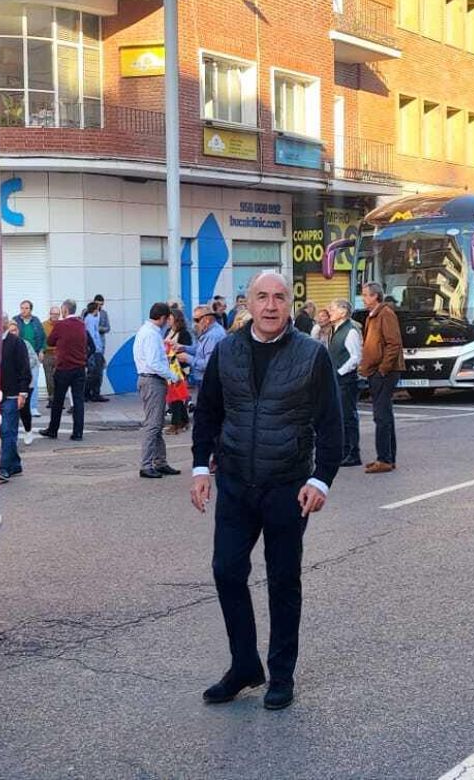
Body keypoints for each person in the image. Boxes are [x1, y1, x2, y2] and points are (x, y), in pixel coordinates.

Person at [189, 271, 342, 712]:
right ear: (248, 304)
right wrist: (201, 467)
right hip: (236, 482)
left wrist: (321, 479)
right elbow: (208, 414)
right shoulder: (226, 351)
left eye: (279, 297)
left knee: (282, 581)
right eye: (262, 297)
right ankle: (244, 666)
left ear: (290, 304)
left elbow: (333, 423)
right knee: (227, 571)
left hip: (288, 487)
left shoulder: (312, 355)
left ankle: (281, 673)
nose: (271, 306)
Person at [358, 282, 402, 473]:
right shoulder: (373, 315)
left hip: (384, 372)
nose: (363, 298)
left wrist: (383, 369)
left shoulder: (385, 314)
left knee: (381, 416)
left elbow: (394, 344)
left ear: (375, 296)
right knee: (385, 415)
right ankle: (388, 457)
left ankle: (384, 458)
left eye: (366, 295)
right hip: (375, 370)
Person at [135, 302, 180, 478]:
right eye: (167, 318)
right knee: (153, 425)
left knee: (157, 423)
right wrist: (173, 376)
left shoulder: (147, 331)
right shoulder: (152, 335)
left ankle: (160, 462)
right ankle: (146, 465)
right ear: (162, 318)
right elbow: (154, 363)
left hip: (149, 380)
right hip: (153, 380)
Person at [43, 299, 89, 439]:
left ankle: (53, 430)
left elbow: (50, 341)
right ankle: (78, 433)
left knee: (58, 401)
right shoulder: (82, 325)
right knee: (78, 401)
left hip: (64, 368)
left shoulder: (61, 325)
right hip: (79, 368)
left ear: (65, 310)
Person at [327, 299, 364, 468]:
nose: (329, 311)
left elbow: (355, 357)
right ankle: (344, 450)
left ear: (343, 312)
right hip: (337, 380)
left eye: (333, 309)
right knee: (340, 417)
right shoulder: (335, 330)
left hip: (346, 381)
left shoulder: (350, 331)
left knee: (348, 417)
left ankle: (353, 453)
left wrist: (340, 372)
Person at [0, 319, 32, 481]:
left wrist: (23, 393)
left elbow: (25, 368)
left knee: (7, 430)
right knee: (4, 431)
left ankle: (4, 467)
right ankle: (15, 464)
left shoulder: (16, 343)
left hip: (12, 394)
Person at [181, 305, 227, 402]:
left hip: (209, 381)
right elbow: (199, 350)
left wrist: (187, 358)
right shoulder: (209, 332)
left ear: (206, 320)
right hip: (206, 380)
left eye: (197, 320)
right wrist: (183, 348)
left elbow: (208, 364)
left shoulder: (212, 336)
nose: (195, 324)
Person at [166, 306, 193, 434]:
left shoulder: (184, 333)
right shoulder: (168, 331)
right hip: (169, 367)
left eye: (170, 318)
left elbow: (186, 349)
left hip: (179, 369)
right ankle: (184, 420)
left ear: (176, 320)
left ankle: (176, 423)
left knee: (177, 396)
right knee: (174, 396)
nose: (168, 321)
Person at [83, 299, 110, 402]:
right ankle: (87, 393)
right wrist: (96, 348)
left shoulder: (93, 317)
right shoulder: (89, 319)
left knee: (97, 372)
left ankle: (93, 393)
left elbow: (106, 328)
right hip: (94, 350)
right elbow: (92, 336)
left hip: (97, 348)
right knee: (94, 373)